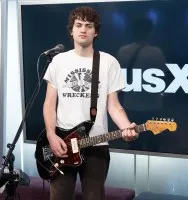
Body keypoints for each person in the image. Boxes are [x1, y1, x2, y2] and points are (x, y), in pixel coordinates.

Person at [42, 6, 138, 200]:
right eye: (78, 25)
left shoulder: (108, 62)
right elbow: (49, 104)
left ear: (96, 32)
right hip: (62, 144)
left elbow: (114, 105)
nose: (83, 29)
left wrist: (126, 127)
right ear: (71, 30)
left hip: (96, 146)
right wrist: (51, 135)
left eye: (89, 25)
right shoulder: (59, 61)